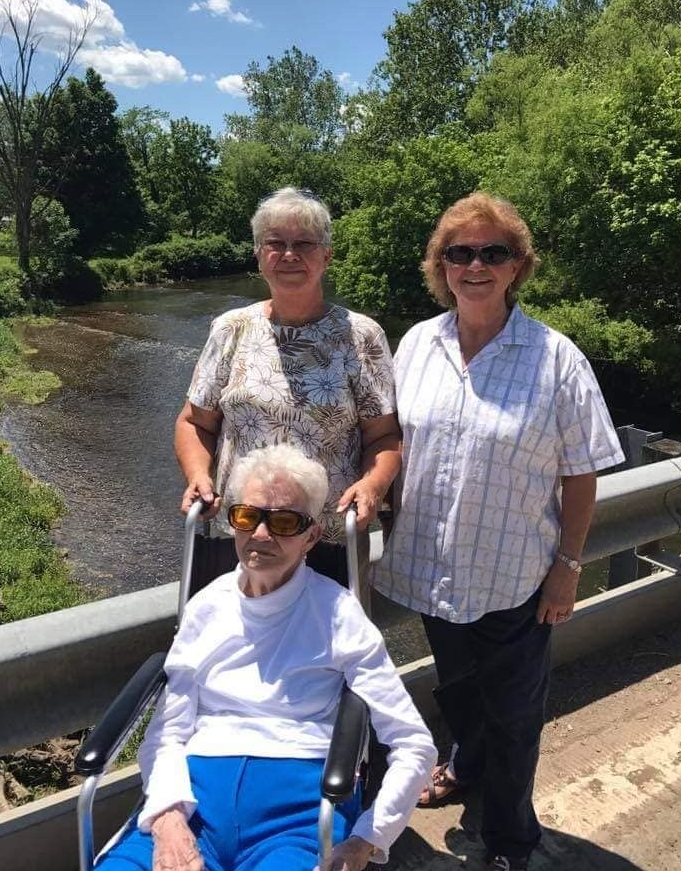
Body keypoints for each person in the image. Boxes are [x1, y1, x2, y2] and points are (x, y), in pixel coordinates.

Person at [372, 193, 625, 871]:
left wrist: (569, 565)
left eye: (494, 252)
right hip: (431, 570)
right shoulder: (417, 345)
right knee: (459, 695)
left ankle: (510, 840)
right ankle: (464, 769)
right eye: (460, 253)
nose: (475, 265)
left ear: (519, 265)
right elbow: (390, 441)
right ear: (440, 265)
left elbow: (580, 473)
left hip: (515, 577)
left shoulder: (555, 358)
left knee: (514, 719)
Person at [96, 444, 437, 871]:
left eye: (284, 522)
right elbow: (168, 731)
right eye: (247, 516)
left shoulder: (338, 614)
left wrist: (368, 838)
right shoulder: (206, 608)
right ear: (232, 522)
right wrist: (167, 820)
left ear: (312, 536)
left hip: (297, 810)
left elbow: (414, 744)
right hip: (195, 797)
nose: (260, 534)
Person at [175, 187, 400, 594]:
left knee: (323, 653)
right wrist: (197, 476)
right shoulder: (230, 329)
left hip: (328, 534)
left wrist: (373, 486)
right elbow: (195, 422)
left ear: (326, 256)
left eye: (304, 244)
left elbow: (384, 437)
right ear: (260, 256)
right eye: (275, 243)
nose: (289, 254)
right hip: (242, 531)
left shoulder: (362, 336)